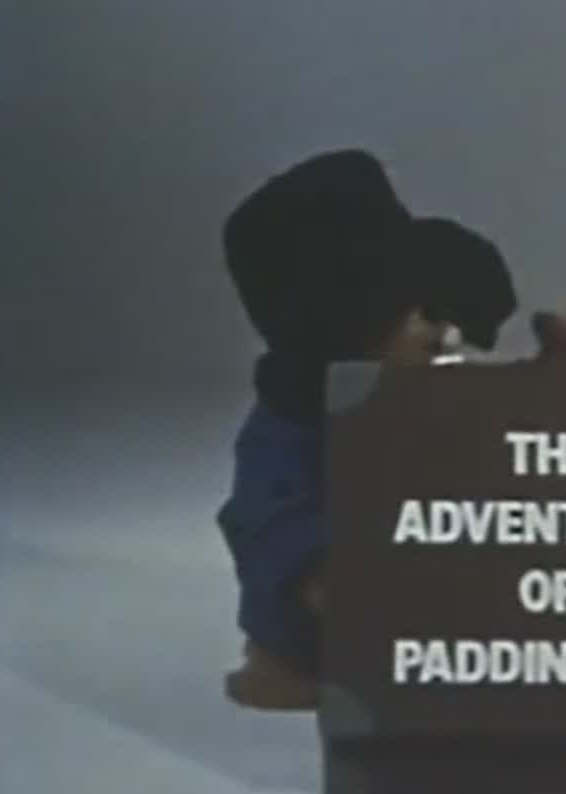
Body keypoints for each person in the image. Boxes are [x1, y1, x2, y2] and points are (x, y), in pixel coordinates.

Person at [216, 149, 518, 710]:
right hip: (329, 637)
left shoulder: (407, 403)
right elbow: (273, 526)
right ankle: (282, 664)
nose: (443, 335)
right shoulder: (289, 436)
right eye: (414, 314)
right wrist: (330, 577)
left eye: (438, 311)